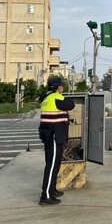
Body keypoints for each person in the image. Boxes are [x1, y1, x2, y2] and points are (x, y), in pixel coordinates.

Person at [38, 77, 75, 206]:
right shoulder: (56, 97)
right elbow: (71, 104)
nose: (62, 87)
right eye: (61, 86)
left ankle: (52, 189)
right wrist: (61, 94)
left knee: (54, 163)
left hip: (50, 134)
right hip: (54, 135)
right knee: (52, 165)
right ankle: (46, 196)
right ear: (57, 87)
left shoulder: (46, 97)